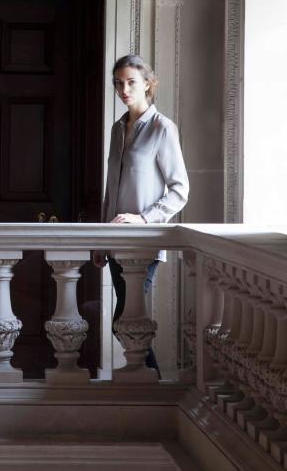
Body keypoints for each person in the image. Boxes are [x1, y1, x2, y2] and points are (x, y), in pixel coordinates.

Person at [98, 54, 189, 375]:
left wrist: (145, 218)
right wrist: (100, 239)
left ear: (148, 84)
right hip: (114, 242)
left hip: (143, 244)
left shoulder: (163, 128)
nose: (124, 89)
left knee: (127, 321)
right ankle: (150, 385)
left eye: (131, 82)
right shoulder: (116, 129)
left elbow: (180, 190)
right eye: (118, 83)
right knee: (126, 323)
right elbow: (111, 189)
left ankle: (154, 385)